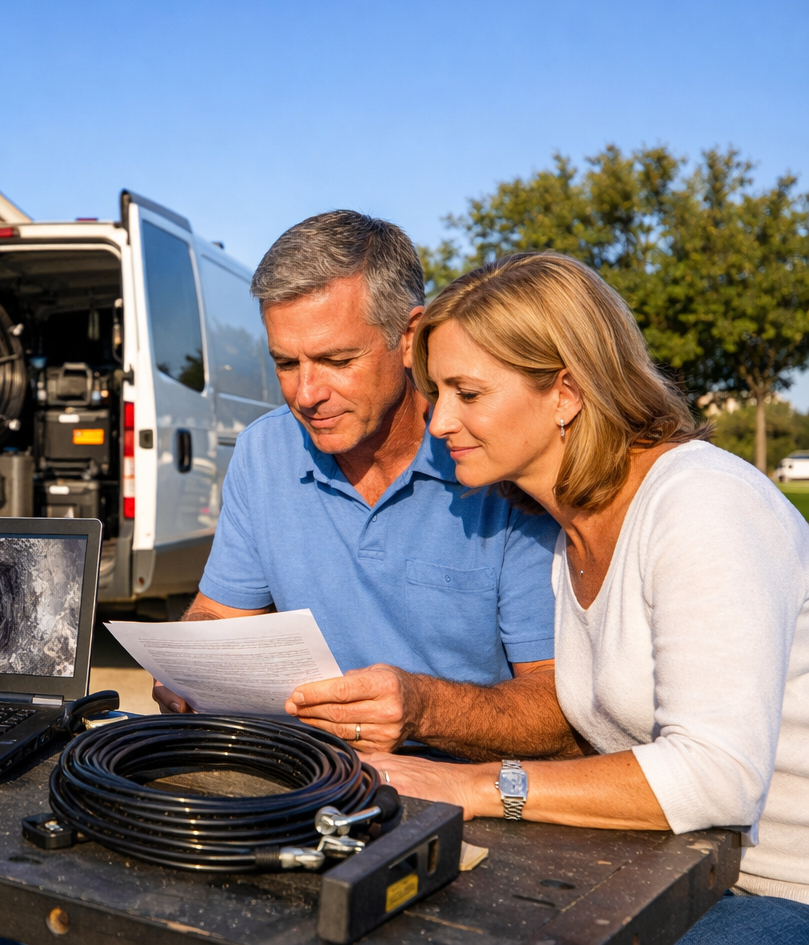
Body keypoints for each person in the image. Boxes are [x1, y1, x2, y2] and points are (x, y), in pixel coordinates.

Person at [372, 252, 809, 942]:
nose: (439, 424)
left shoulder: (703, 505)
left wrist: (480, 785)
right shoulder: (564, 532)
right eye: (437, 392)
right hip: (669, 868)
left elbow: (717, 776)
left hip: (781, 889)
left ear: (566, 393)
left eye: (468, 393)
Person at [152, 210, 573, 761]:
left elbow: (562, 714)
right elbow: (220, 615)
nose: (305, 394)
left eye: (336, 360)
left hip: (471, 800)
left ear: (410, 337)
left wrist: (425, 708)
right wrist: (187, 666)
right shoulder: (265, 450)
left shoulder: (495, 460)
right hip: (309, 779)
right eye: (285, 362)